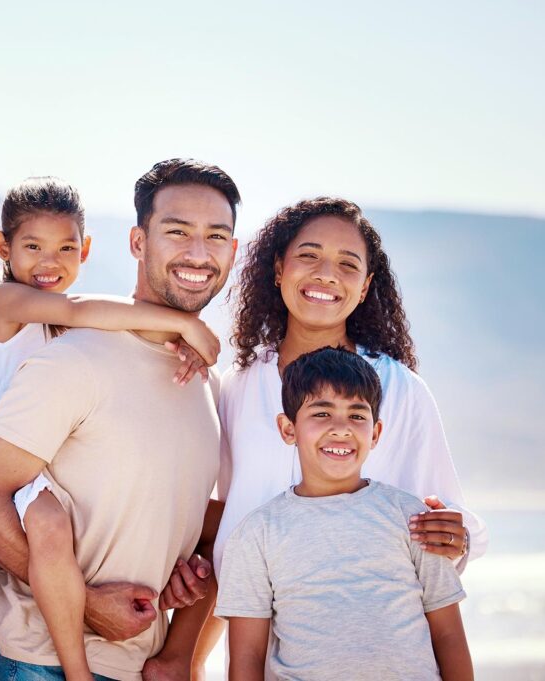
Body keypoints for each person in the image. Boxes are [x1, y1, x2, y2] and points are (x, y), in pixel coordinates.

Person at [0, 159, 240, 681]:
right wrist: (85, 603)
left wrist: (187, 596)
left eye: (216, 236)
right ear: (137, 242)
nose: (198, 252)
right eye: (177, 232)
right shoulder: (72, 357)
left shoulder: (210, 385)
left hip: (139, 665)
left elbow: (186, 524)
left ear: (233, 251)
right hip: (36, 663)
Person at [200, 197, 487, 676]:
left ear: (365, 286)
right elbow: (224, 525)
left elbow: (448, 527)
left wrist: (455, 537)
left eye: (348, 264)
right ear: (278, 268)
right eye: (308, 255)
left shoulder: (400, 390)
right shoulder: (238, 384)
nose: (326, 274)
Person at [216, 347, 473, 681]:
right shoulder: (257, 535)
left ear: (375, 433)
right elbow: (248, 656)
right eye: (321, 414)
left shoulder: (412, 519)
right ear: (288, 429)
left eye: (357, 415)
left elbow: (449, 635)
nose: (341, 428)